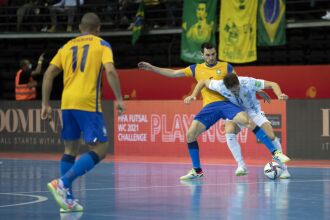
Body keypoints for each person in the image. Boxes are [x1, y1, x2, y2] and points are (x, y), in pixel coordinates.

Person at [138, 43, 288, 180]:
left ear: (216, 54)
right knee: (190, 134)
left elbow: (238, 82)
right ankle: (197, 171)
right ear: (202, 55)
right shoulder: (195, 69)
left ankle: (275, 153)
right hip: (209, 107)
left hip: (227, 104)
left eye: (213, 54)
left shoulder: (226, 67)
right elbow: (173, 74)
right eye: (208, 55)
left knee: (248, 120)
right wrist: (152, 68)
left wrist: (258, 89)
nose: (211, 57)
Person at [41, 12, 125, 212]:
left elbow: (48, 74)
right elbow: (111, 70)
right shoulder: (102, 45)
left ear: (79, 28)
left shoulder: (66, 47)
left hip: (67, 102)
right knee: (101, 149)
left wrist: (45, 103)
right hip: (87, 102)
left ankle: (67, 200)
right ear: (99, 29)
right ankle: (62, 183)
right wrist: (120, 98)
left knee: (70, 149)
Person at [184, 74, 291, 179]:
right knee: (229, 130)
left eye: (237, 89)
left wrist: (279, 94)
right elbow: (203, 81)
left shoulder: (248, 82)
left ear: (239, 83)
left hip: (254, 112)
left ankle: (283, 167)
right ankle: (241, 165)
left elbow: (272, 84)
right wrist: (193, 95)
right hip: (235, 111)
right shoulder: (220, 85)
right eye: (232, 91)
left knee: (271, 136)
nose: (235, 92)